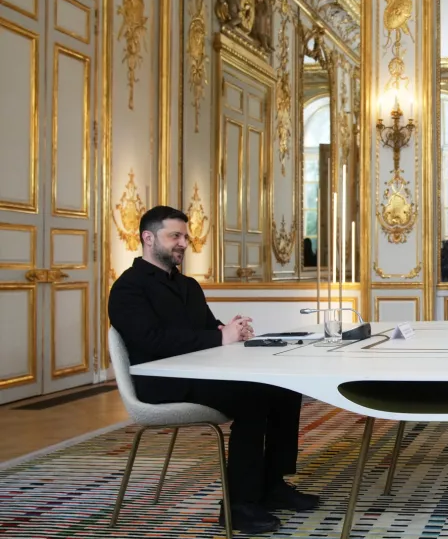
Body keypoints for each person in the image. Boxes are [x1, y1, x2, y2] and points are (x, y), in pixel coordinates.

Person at [108, 206, 318, 535]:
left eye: (185, 237)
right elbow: (152, 341)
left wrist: (229, 329)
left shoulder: (189, 285)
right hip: (161, 382)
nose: (182, 243)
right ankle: (238, 505)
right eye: (174, 236)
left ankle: (272, 484)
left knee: (282, 388)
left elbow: (208, 328)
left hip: (199, 374)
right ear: (148, 238)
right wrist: (219, 336)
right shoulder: (127, 288)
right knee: (252, 400)